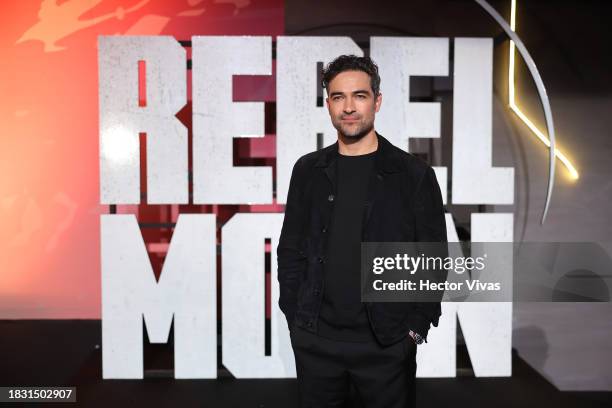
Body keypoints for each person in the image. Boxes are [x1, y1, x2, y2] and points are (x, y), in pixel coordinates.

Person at [277, 54, 447, 408]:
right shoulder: (307, 170)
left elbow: (433, 259)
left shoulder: (413, 175)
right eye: (338, 97)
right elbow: (290, 247)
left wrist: (414, 329)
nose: (349, 107)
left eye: (360, 96)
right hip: (317, 343)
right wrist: (294, 316)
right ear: (328, 105)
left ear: (377, 101)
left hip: (386, 344)